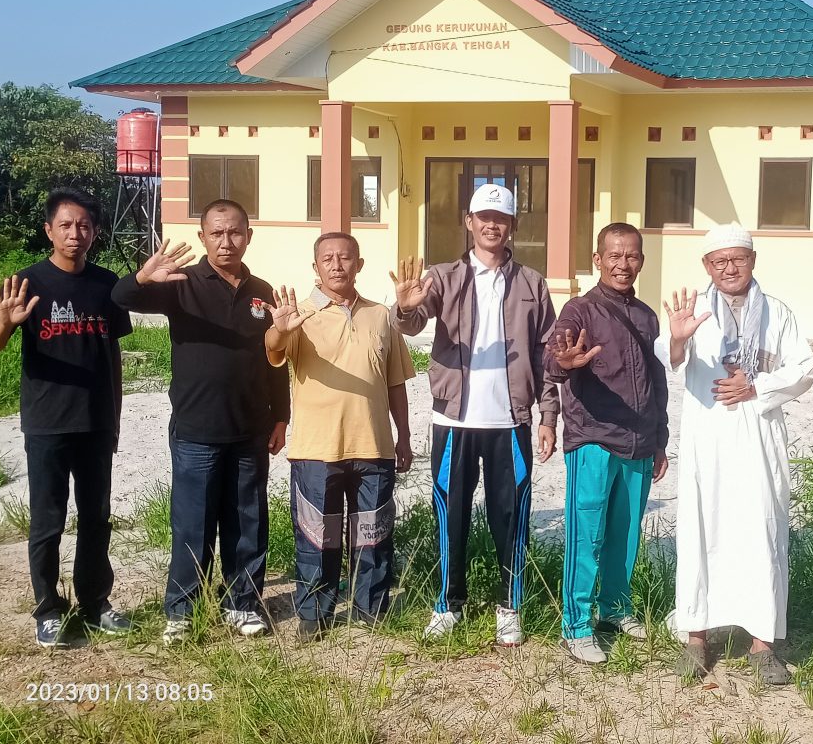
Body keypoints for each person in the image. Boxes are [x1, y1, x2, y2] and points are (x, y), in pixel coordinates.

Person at [112, 199, 289, 645]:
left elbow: (274, 359)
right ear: (203, 237)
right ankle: (182, 611)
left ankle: (241, 604)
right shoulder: (181, 283)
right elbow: (120, 299)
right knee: (193, 523)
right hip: (196, 430)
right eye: (217, 233)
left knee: (247, 519)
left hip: (250, 428)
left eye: (235, 233)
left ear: (248, 236)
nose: (226, 241)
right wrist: (140, 277)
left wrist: (281, 416)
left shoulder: (262, 291)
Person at [391, 183, 557, 646]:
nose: (491, 224)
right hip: (454, 422)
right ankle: (448, 602)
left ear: (512, 227)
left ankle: (511, 604)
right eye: (483, 216)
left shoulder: (532, 283)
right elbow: (414, 318)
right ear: (469, 221)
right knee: (451, 514)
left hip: (510, 423)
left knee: (512, 516)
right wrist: (404, 310)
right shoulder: (443, 277)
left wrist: (548, 417)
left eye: (500, 218)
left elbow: (547, 355)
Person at [656, 223, 813, 684]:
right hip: (709, 439)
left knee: (762, 529)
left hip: (760, 438)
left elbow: (803, 369)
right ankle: (696, 638)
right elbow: (670, 356)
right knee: (702, 529)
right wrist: (681, 338)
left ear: (752, 261)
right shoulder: (695, 309)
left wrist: (756, 386)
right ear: (707, 266)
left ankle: (763, 644)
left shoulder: (778, 314)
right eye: (719, 260)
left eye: (738, 259)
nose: (729, 267)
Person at [0, 188, 133, 648]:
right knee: (48, 521)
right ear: (49, 230)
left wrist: (114, 417)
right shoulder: (25, 283)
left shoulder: (108, 285)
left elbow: (114, 357)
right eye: (66, 225)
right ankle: (48, 608)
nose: (76, 233)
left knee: (96, 517)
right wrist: (6, 321)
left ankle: (94, 602)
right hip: (47, 423)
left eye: (84, 225)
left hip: (95, 423)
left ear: (95, 231)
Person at [264, 232, 415, 641]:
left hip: (374, 445)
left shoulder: (382, 316)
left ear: (359, 264)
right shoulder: (299, 315)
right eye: (327, 258)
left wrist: (403, 436)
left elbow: (396, 382)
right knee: (318, 535)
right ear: (316, 267)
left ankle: (372, 607)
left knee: (374, 533)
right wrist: (279, 329)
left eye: (345, 257)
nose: (337, 264)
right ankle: (315, 612)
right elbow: (275, 350)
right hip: (317, 448)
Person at [544, 223, 669, 664]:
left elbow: (658, 382)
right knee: (587, 535)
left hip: (639, 443)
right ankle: (575, 626)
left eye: (632, 256)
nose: (623, 264)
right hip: (594, 439)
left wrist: (660, 440)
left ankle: (615, 608)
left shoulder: (647, 316)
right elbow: (553, 358)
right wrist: (563, 363)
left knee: (626, 533)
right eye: (614, 256)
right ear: (597, 260)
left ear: (641, 260)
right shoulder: (579, 310)